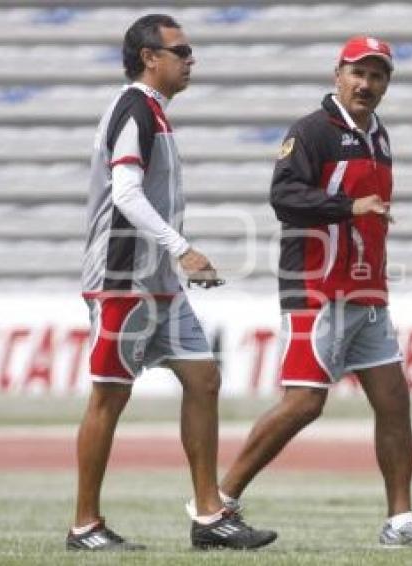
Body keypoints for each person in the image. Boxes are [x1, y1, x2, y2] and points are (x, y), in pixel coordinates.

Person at [210, 35, 412, 549]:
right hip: (316, 288)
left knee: (393, 401)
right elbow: (283, 195)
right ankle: (218, 504)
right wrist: (349, 206)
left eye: (378, 76)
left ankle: (400, 522)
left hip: (367, 290)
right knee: (304, 403)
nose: (367, 84)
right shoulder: (312, 130)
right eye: (358, 73)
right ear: (338, 74)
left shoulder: (378, 134)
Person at [69, 14, 276, 551]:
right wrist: (181, 248)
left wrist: (174, 258)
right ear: (149, 58)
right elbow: (126, 192)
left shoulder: (154, 113)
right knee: (110, 396)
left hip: (155, 280)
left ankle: (210, 516)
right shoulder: (134, 106)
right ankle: (84, 526)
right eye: (181, 51)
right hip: (121, 278)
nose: (191, 59)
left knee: (204, 379)